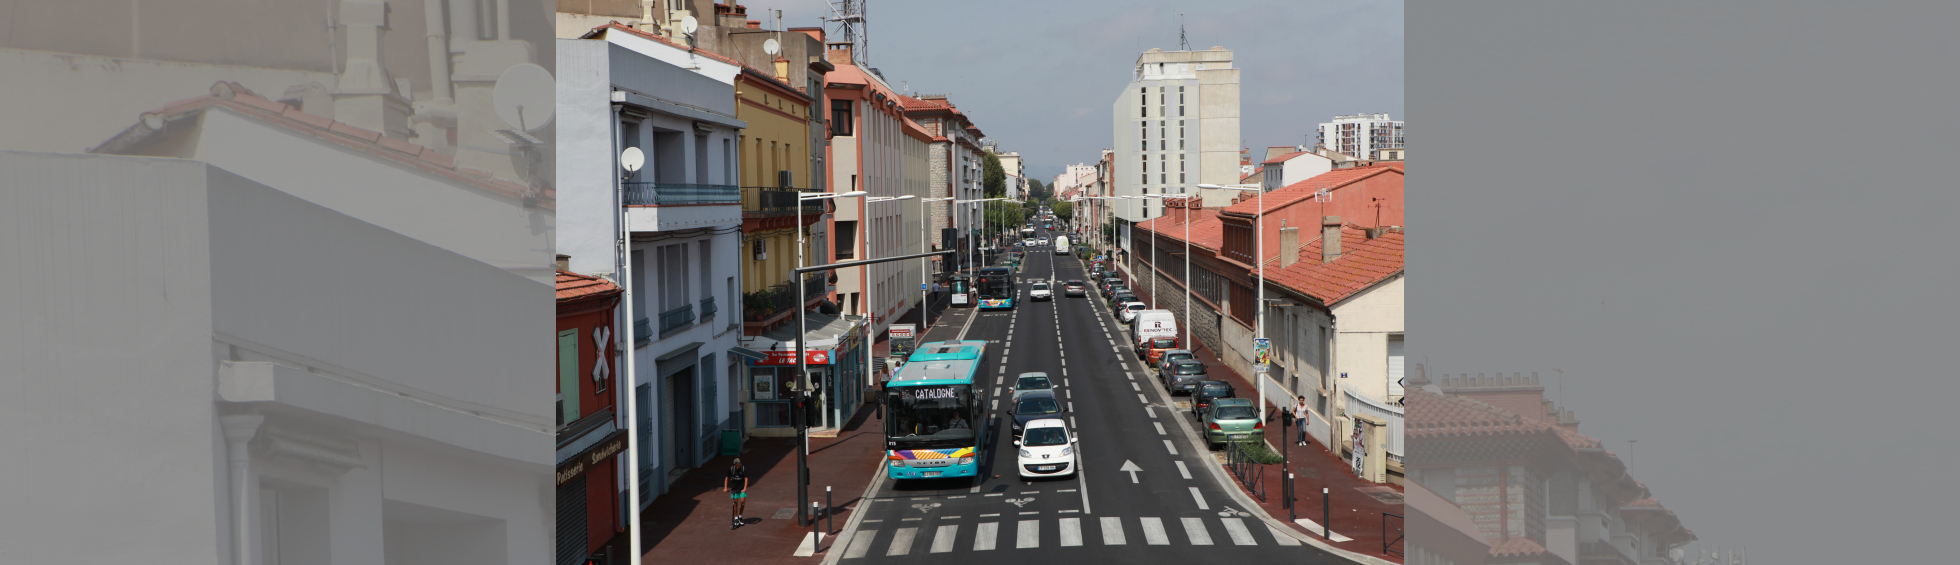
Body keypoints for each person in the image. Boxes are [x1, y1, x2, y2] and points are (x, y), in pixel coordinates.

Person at [724, 459, 750, 529]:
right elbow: (726, 478)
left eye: (738, 464)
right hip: (734, 489)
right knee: (735, 504)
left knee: (742, 503)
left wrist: (744, 488)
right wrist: (725, 488)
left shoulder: (743, 469)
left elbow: (746, 479)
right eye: (736, 465)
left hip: (741, 489)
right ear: (734, 464)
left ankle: (740, 516)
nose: (737, 466)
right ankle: (736, 518)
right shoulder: (731, 469)